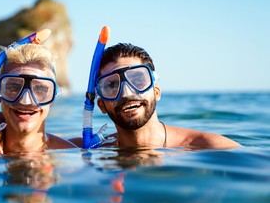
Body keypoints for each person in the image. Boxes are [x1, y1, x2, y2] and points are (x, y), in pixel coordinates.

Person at [70, 43, 241, 149]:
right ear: (102, 105)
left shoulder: (208, 146)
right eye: (112, 85)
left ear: (156, 92)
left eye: (138, 80)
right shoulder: (94, 148)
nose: (127, 93)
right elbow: (44, 144)